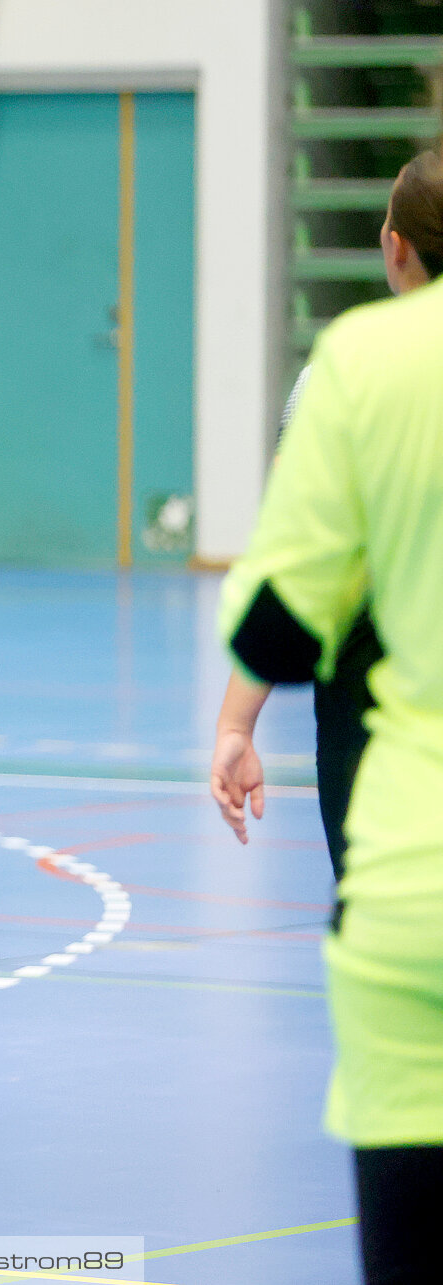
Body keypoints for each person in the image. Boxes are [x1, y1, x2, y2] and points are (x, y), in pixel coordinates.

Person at [215, 149, 443, 1285]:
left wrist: (234, 721)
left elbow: (285, 614)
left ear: (392, 247)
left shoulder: (358, 368)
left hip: (410, 862)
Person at [211, 152, 441, 878]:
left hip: (377, 731)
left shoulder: (343, 373)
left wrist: (235, 723)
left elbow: (294, 577)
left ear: (393, 244)